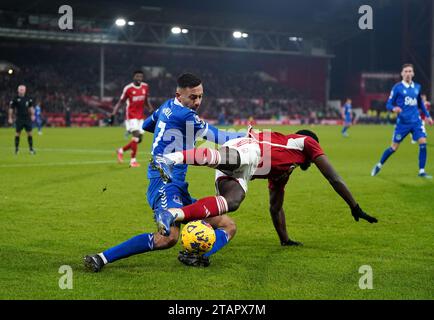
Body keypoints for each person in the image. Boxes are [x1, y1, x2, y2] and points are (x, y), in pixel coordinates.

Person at [84, 73, 244, 271]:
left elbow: (146, 125)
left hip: (178, 186)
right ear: (179, 95)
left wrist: (169, 134)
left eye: (201, 96)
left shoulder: (167, 106)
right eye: (192, 97)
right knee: (166, 239)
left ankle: (193, 256)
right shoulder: (186, 116)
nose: (198, 102)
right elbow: (220, 136)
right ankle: (101, 258)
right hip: (164, 184)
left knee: (229, 225)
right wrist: (249, 137)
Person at [153, 127, 378, 258]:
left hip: (244, 171)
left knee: (233, 201)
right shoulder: (305, 141)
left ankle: (174, 215)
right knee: (230, 159)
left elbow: (275, 207)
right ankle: (171, 158)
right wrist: (354, 206)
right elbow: (333, 176)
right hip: (252, 147)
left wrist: (285, 240)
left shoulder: (283, 173)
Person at [371, 64, 433, 179]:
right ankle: (379, 165)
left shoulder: (417, 87)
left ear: (413, 73)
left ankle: (421, 171)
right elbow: (388, 104)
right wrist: (394, 108)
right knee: (394, 148)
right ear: (402, 73)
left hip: (416, 122)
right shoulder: (397, 88)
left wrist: (428, 116)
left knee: (423, 143)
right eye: (406, 71)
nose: (408, 73)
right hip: (403, 123)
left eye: (410, 71)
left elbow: (420, 104)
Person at [111, 70, 153, 168]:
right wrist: (113, 113)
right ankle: (132, 161)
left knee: (139, 139)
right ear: (134, 77)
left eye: (141, 77)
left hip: (140, 116)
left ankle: (121, 150)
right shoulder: (128, 89)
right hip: (131, 116)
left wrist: (150, 108)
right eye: (137, 77)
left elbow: (146, 100)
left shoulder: (145, 87)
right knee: (136, 136)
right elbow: (120, 102)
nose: (139, 79)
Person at [8, 85, 35, 155]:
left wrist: (32, 115)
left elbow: (31, 108)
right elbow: (11, 109)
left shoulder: (28, 99)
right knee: (17, 133)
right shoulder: (15, 99)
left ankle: (31, 149)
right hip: (19, 118)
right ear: (18, 90)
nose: (21, 90)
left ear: (25, 90)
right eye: (20, 89)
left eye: (23, 89)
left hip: (27, 118)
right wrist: (10, 117)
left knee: (30, 133)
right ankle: (16, 149)